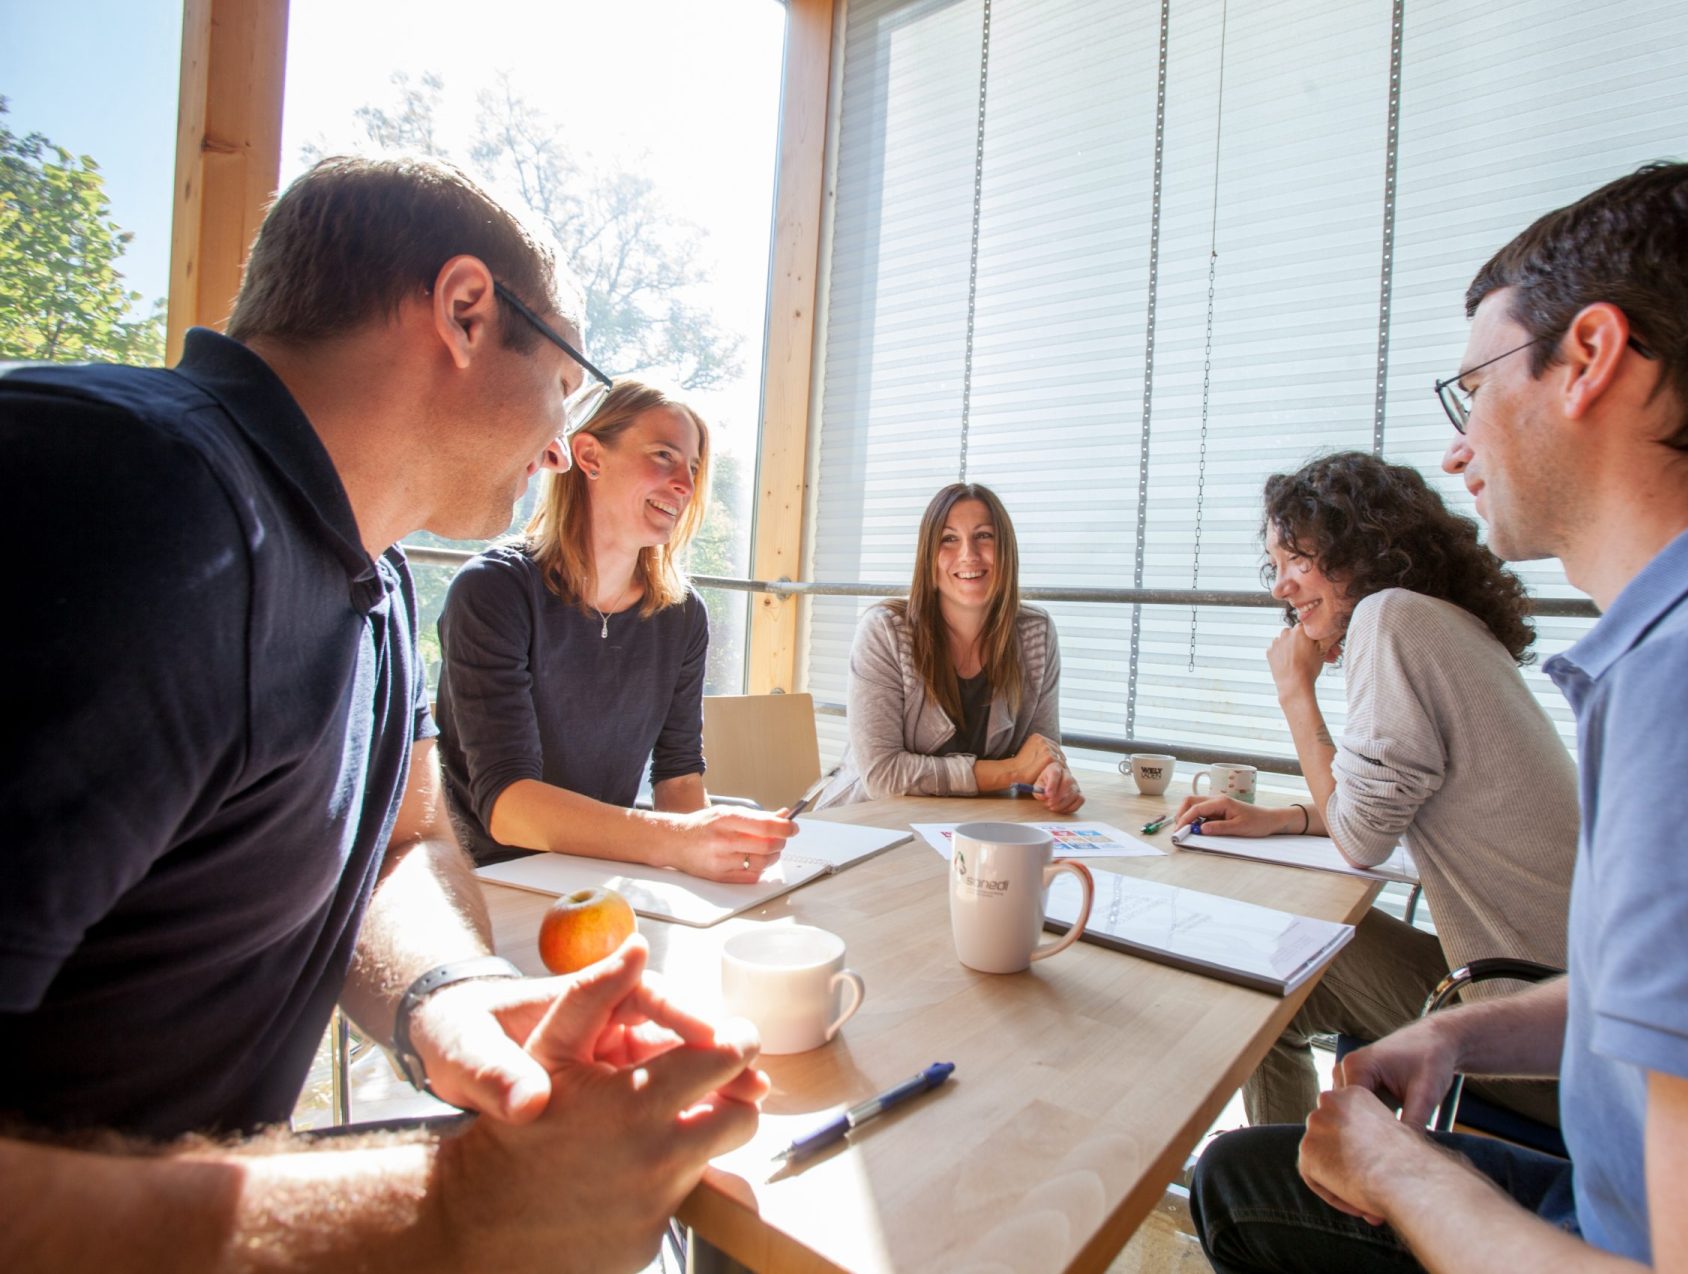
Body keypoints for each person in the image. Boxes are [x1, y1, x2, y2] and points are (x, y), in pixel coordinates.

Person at [0, 156, 766, 1271]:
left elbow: (402, 841)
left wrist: (456, 1002)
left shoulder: (379, 579)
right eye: (565, 384)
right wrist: (457, 1214)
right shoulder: (122, 490)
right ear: (464, 311)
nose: (562, 443)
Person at [1189, 160, 1688, 1273]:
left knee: (1252, 1185)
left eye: (1471, 387)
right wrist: (1456, 1029)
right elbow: (1673, 987)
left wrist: (1398, 1172)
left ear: (1590, 358)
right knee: (1263, 1161)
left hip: (1605, 1212)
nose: (1455, 446)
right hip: (1580, 1116)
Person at [1174, 452, 1576, 1127]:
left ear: (1358, 548)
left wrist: (1294, 690)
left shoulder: (1391, 621)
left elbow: (1362, 840)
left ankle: (1278, 1199)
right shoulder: (1446, 625)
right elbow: (1413, 814)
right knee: (1281, 986)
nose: (1281, 589)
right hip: (1570, 1008)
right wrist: (1286, 818)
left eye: (1296, 560)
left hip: (1531, 1033)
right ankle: (1287, 1186)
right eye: (1275, 568)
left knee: (1269, 956)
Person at [435, 380, 796, 879]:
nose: (686, 487)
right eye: (664, 456)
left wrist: (720, 860)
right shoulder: (493, 590)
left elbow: (679, 779)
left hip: (607, 877)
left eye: (692, 469)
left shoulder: (683, 615)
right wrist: (681, 842)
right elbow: (507, 807)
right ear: (589, 456)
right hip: (491, 878)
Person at [841, 482, 1084, 813]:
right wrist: (1009, 772)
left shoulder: (1035, 634)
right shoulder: (884, 631)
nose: (969, 554)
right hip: (870, 824)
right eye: (948, 539)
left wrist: (1054, 779)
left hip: (972, 829)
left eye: (984, 536)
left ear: (1006, 550)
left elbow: (1041, 752)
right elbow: (882, 776)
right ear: (928, 557)